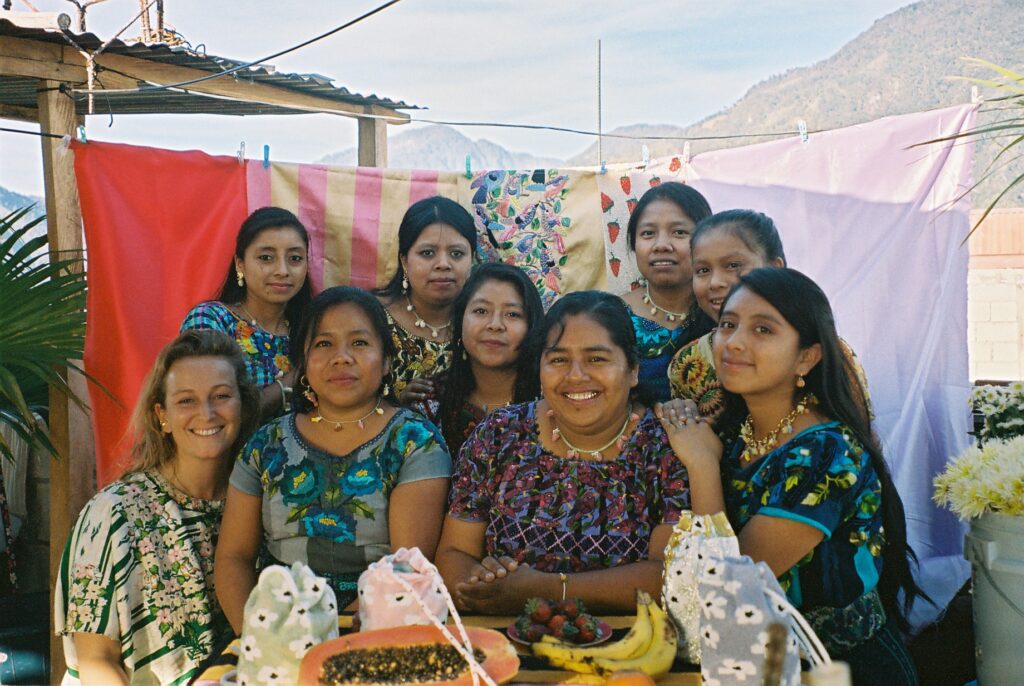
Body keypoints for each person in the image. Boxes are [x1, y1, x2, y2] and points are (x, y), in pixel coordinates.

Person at [659, 268, 922, 686]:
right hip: (752, 661)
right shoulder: (734, 433)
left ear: (806, 357)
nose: (734, 342)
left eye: (763, 329)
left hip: (837, 669)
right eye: (728, 325)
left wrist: (703, 467)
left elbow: (731, 587)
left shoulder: (826, 454)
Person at [436, 291, 691, 615]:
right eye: (558, 360)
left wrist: (543, 590)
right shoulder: (498, 434)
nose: (575, 376)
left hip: (632, 649)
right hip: (506, 643)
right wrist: (483, 587)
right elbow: (455, 552)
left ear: (633, 371)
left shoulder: (666, 448)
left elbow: (671, 577)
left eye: (596, 359)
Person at [215, 286, 452, 633]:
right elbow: (233, 558)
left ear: (386, 360)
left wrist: (333, 639)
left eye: (359, 343)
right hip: (278, 630)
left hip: (379, 628)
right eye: (324, 344)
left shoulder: (415, 442)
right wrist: (257, 639)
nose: (341, 357)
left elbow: (404, 569)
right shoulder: (265, 445)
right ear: (303, 365)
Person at [55, 330, 259, 685]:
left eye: (222, 396)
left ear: (243, 404)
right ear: (162, 416)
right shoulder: (112, 514)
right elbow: (96, 663)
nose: (207, 413)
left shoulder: (257, 506)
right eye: (186, 401)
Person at [667, 209, 870, 420]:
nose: (715, 282)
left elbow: (859, 436)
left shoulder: (823, 352)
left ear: (775, 268)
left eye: (733, 265)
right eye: (702, 270)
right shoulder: (686, 363)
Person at [181, 207, 312, 421]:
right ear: (239, 264)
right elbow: (212, 410)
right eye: (266, 257)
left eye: (295, 258)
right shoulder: (211, 321)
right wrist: (291, 381)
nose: (283, 270)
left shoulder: (313, 329)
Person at [411, 263, 543, 461]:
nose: (495, 325)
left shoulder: (551, 400)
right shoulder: (430, 402)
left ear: (531, 326)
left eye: (512, 314)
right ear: (460, 319)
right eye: (481, 311)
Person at [618, 183, 715, 402]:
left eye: (679, 232)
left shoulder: (725, 310)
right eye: (648, 233)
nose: (661, 245)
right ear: (634, 244)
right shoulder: (612, 315)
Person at [375, 196, 477, 401]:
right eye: (427, 253)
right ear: (404, 261)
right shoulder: (371, 318)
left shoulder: (484, 322)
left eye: (456, 254)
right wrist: (396, 405)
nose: (443, 264)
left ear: (472, 259)